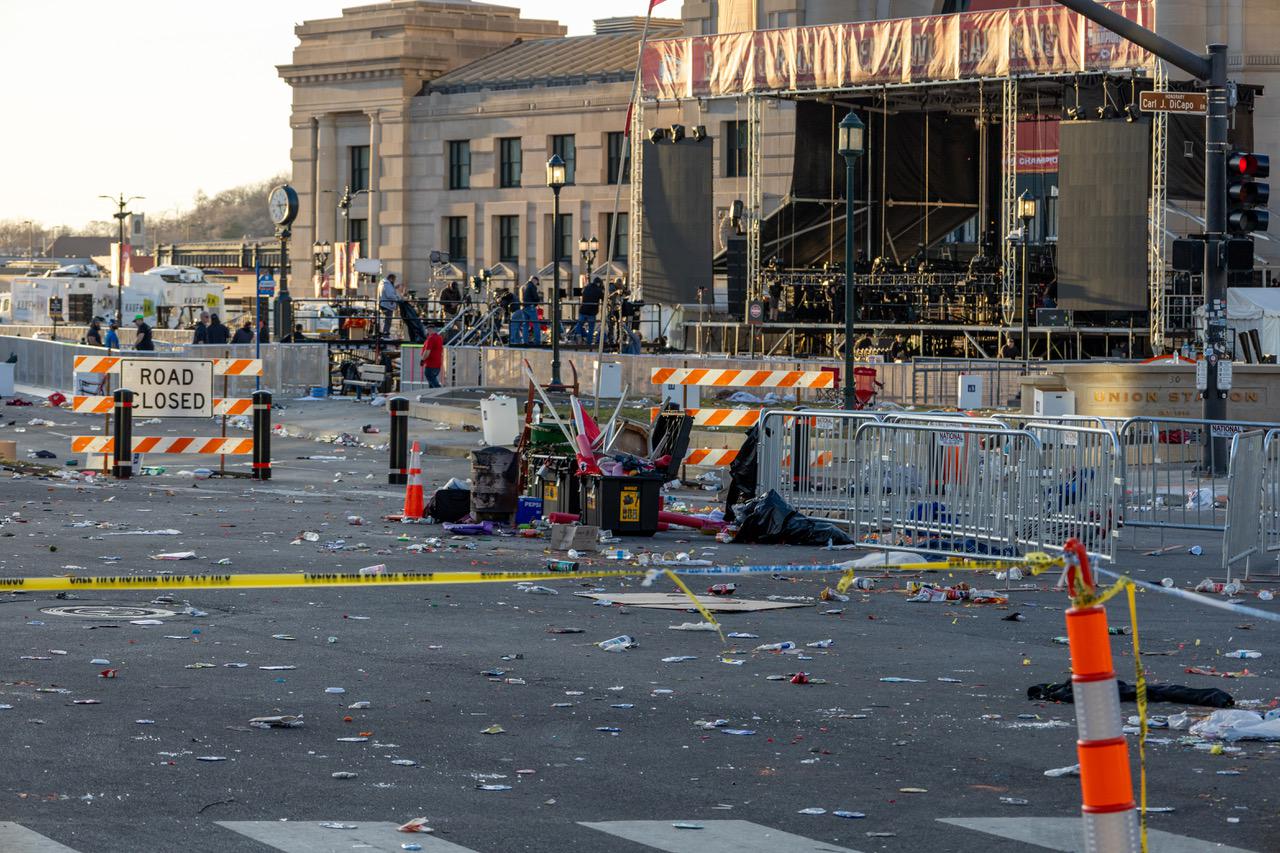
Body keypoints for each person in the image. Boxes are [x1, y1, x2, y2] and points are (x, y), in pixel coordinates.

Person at [572, 276, 604, 345]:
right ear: (598, 283)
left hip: (583, 310)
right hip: (592, 312)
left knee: (579, 324)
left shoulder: (586, 287)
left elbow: (582, 293)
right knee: (591, 328)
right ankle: (589, 342)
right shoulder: (598, 290)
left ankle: (579, 335)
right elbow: (603, 299)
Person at [420, 322, 444, 388]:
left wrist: (422, 360)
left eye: (427, 330)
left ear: (429, 329)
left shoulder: (430, 339)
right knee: (431, 382)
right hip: (437, 364)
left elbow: (427, 351)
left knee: (432, 379)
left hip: (430, 364)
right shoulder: (439, 338)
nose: (426, 331)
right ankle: (431, 395)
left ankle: (439, 392)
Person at [520, 276, 542, 345]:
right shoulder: (532, 286)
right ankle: (537, 341)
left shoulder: (524, 286)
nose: (536, 284)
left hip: (524, 307)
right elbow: (536, 297)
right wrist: (537, 302)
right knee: (536, 324)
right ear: (534, 280)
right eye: (536, 283)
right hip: (531, 307)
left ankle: (525, 341)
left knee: (525, 325)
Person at [379, 272, 400, 338]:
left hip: (385, 304)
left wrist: (394, 287)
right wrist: (397, 298)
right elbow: (390, 295)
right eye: (394, 280)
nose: (394, 281)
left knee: (387, 320)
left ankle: (385, 333)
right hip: (387, 305)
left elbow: (389, 291)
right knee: (388, 320)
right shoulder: (387, 284)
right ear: (391, 278)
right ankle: (385, 334)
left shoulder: (384, 283)